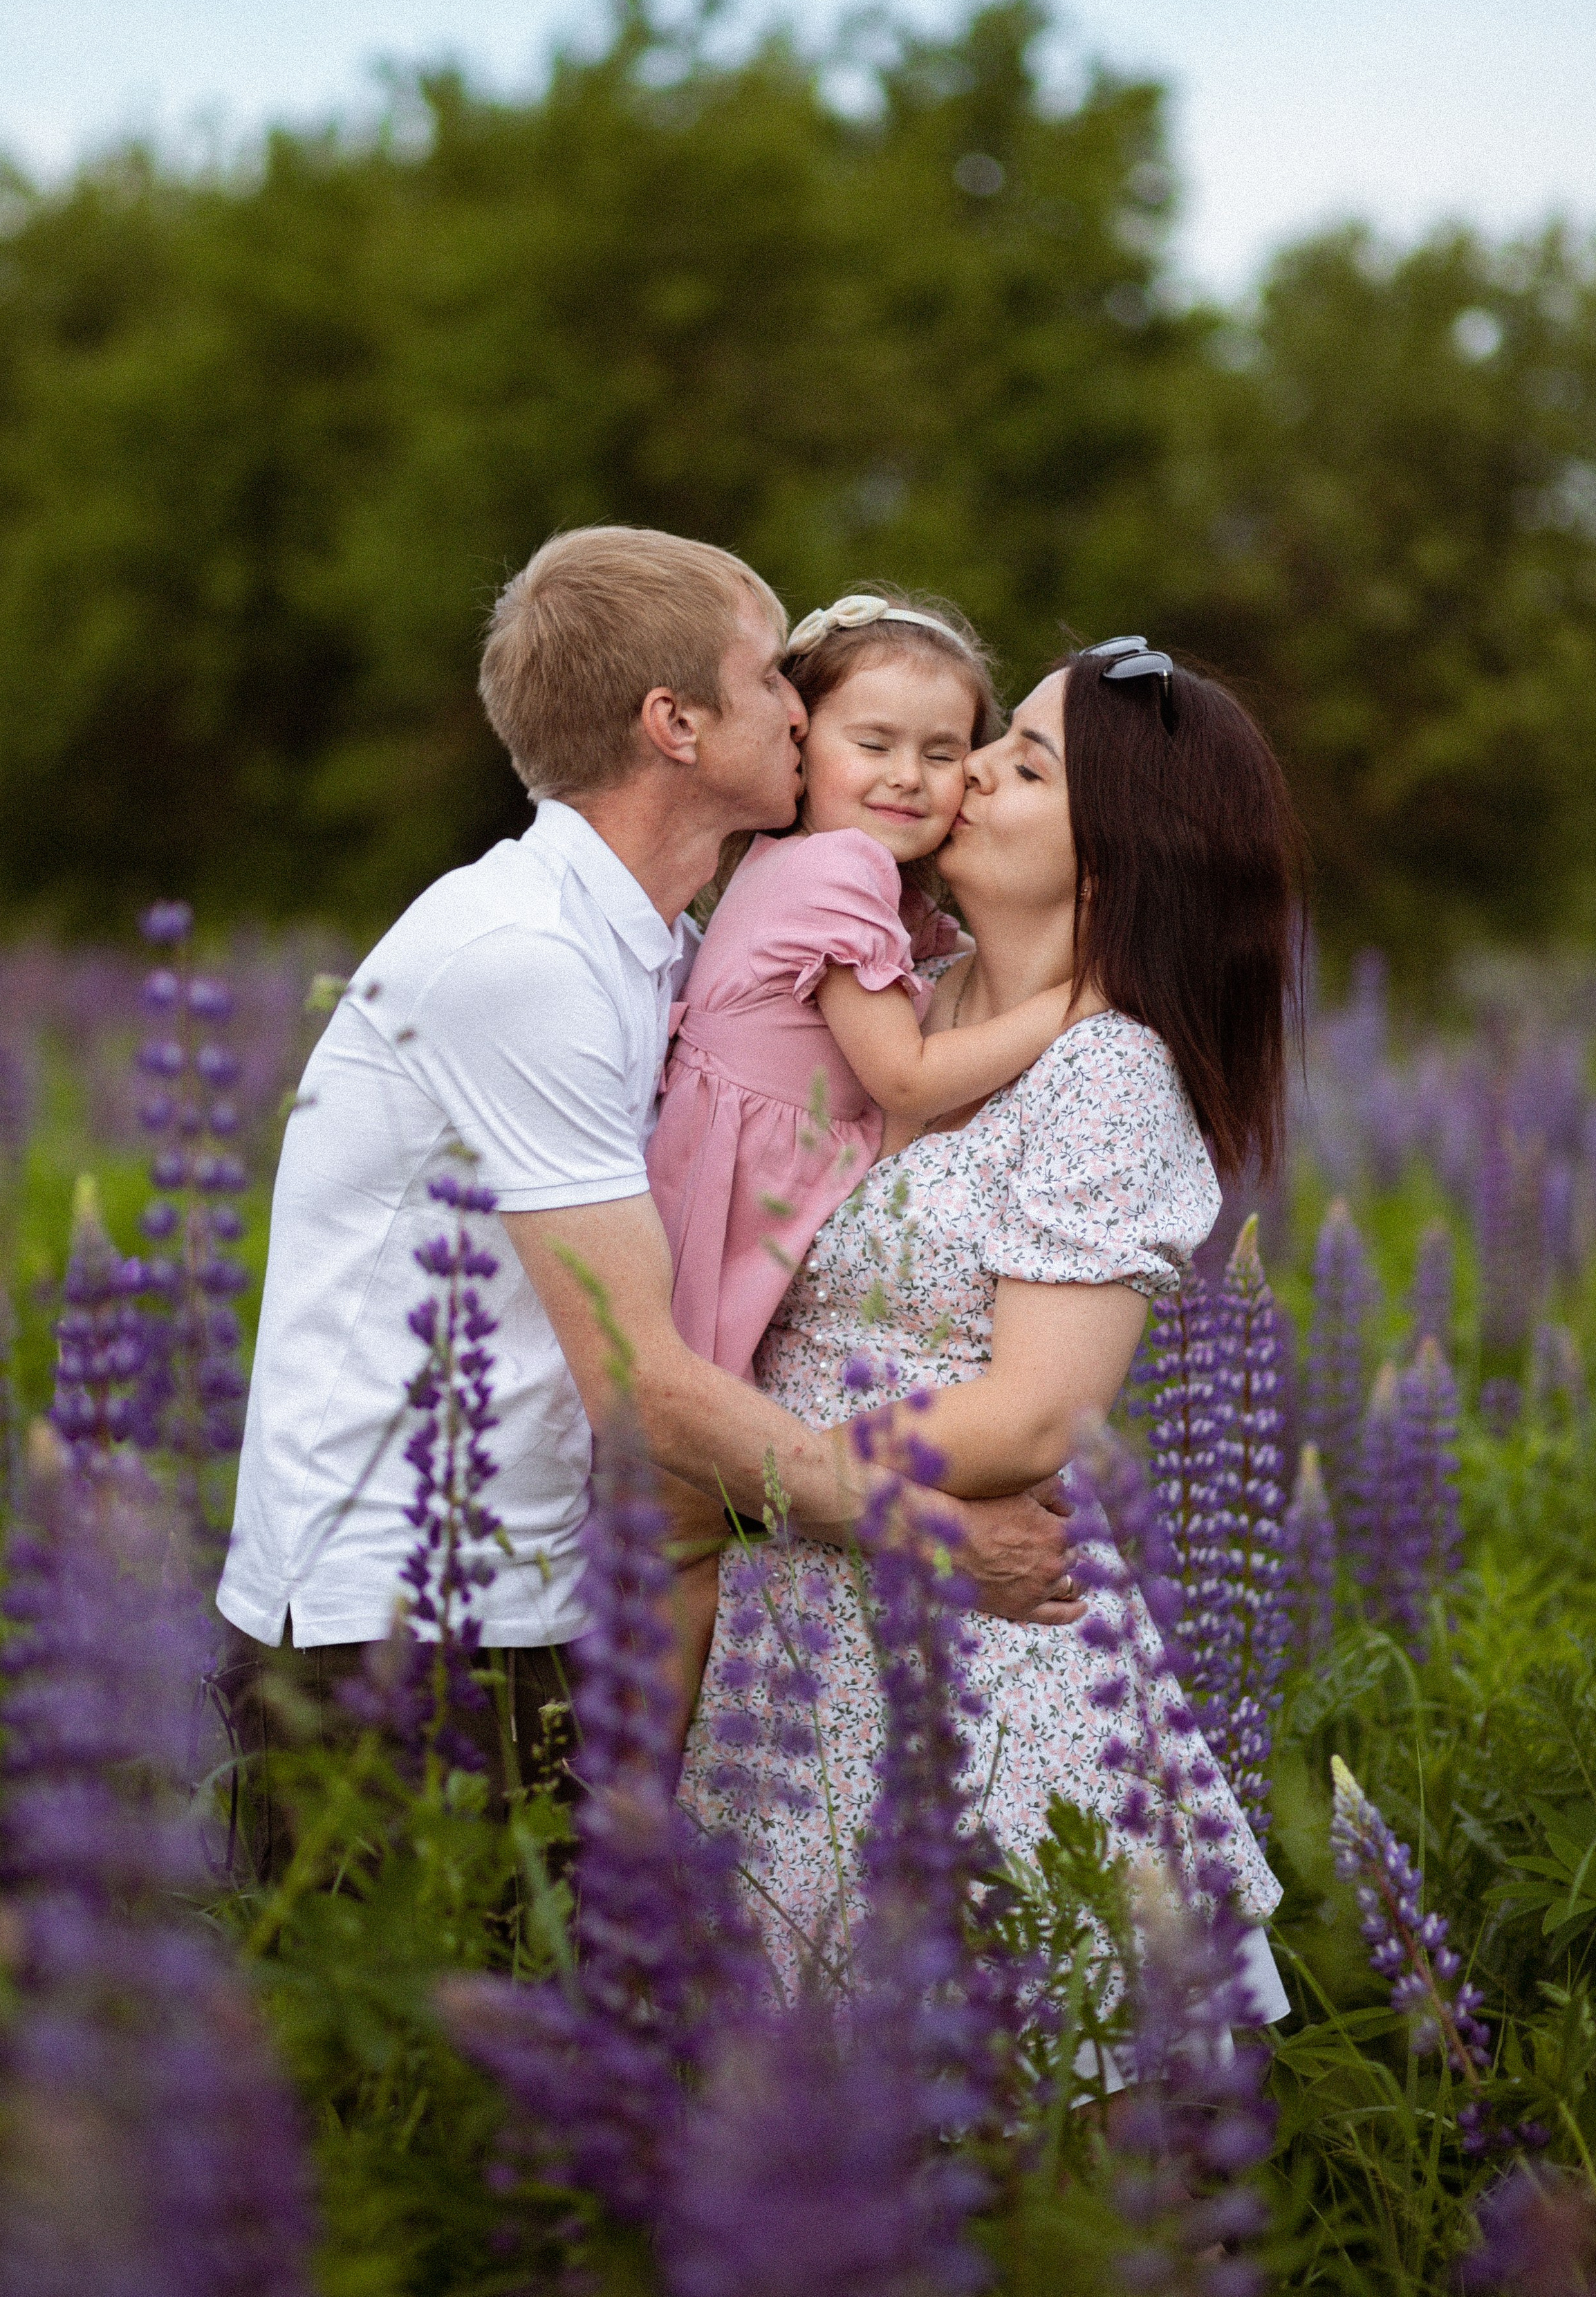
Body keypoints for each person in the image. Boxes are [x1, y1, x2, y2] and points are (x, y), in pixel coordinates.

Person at [213, 526, 1079, 1832]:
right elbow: (640, 1383)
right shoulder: (523, 956)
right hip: (392, 1625)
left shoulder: (665, 948)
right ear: (675, 722)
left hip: (545, 1590)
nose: (806, 698)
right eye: (773, 674)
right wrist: (938, 1537)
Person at [678, 637, 1305, 2011]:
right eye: (990, 741)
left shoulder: (1110, 1072)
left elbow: (1033, 1412)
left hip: (978, 1671)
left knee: (1028, 2150)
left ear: (1116, 855)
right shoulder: (908, 980)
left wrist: (751, 1467)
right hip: (808, 1622)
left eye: (1025, 762)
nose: (966, 774)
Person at [647, 588, 1082, 1714]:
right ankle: (640, 1780)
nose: (909, 775)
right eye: (872, 743)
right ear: (803, 748)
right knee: (692, 1518)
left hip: (755, 1187)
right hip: (730, 1210)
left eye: (946, 753)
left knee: (697, 1522)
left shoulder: (861, 889)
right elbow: (904, 1080)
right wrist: (1072, 1007)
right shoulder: (835, 874)